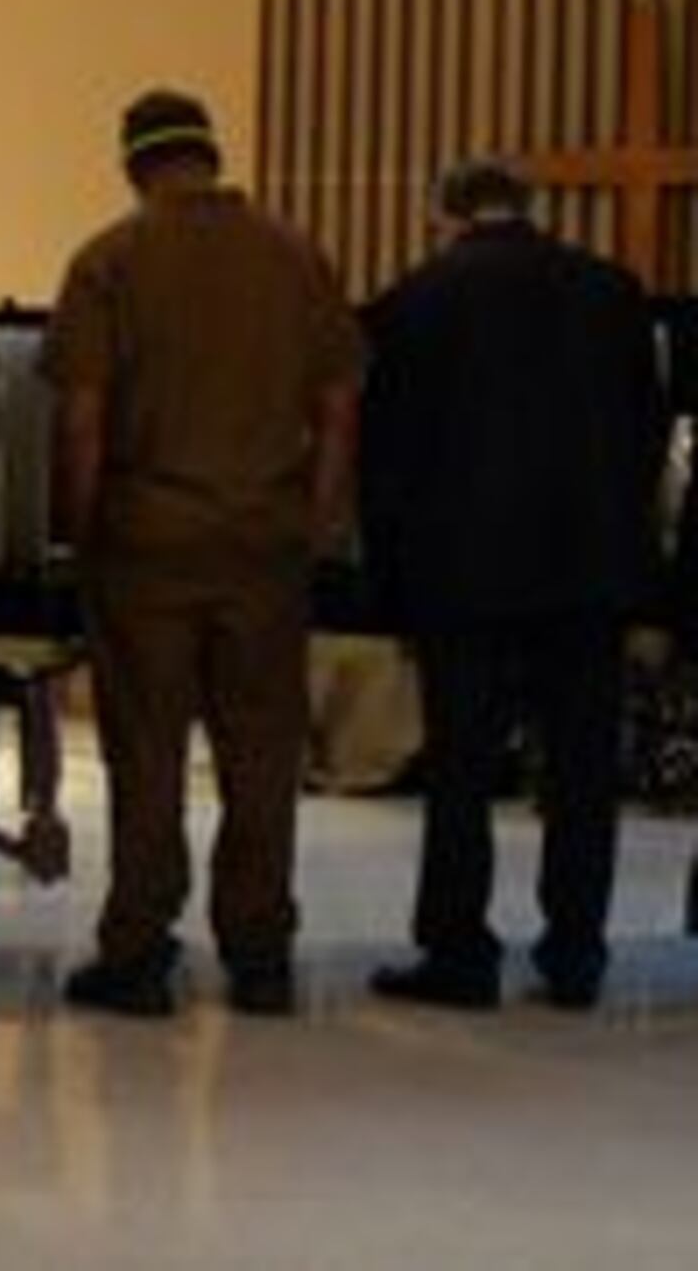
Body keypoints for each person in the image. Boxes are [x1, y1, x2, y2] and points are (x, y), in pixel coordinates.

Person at [47, 90, 361, 1020]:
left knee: (146, 754)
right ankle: (260, 955)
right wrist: (320, 521)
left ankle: (138, 952)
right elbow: (340, 409)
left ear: (133, 163)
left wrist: (80, 531)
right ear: (212, 156)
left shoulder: (109, 259)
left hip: (147, 540)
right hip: (265, 541)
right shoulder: (296, 256)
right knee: (262, 754)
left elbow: (82, 417)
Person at [359, 158, 662, 1011]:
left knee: (461, 769)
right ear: (527, 208)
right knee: (581, 770)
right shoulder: (612, 293)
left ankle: (459, 951)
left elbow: (389, 457)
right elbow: (646, 429)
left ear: (445, 213)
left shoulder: (416, 302)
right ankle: (576, 952)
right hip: (588, 571)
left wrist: (390, 583)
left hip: (464, 573)